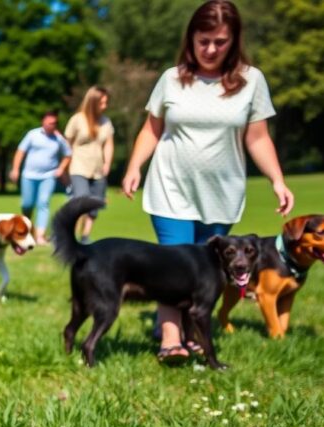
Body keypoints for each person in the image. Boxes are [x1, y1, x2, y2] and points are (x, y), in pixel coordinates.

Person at [121, 0, 294, 363]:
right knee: (173, 263)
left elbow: (257, 138)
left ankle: (194, 330)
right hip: (171, 186)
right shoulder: (171, 78)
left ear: (233, 41)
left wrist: (277, 180)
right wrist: (135, 165)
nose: (211, 49)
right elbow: (152, 129)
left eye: (220, 42)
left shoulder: (251, 81)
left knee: (205, 270)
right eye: (203, 41)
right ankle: (170, 338)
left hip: (221, 192)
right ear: (191, 39)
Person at [10, 111, 72, 245]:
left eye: (54, 123)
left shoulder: (58, 139)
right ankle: (26, 225)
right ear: (43, 122)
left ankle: (40, 236)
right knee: (27, 204)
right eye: (49, 123)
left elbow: (68, 154)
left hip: (48, 176)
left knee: (43, 203)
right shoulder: (33, 135)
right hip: (29, 175)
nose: (52, 125)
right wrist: (15, 169)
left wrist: (61, 169)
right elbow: (20, 152)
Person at [65, 86, 114, 244]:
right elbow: (67, 144)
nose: (105, 106)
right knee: (81, 199)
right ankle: (68, 232)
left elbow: (108, 144)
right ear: (92, 102)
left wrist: (107, 163)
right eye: (102, 103)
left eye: (106, 102)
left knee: (95, 205)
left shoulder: (106, 122)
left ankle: (85, 236)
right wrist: (65, 166)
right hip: (78, 167)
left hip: (98, 170)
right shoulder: (77, 119)